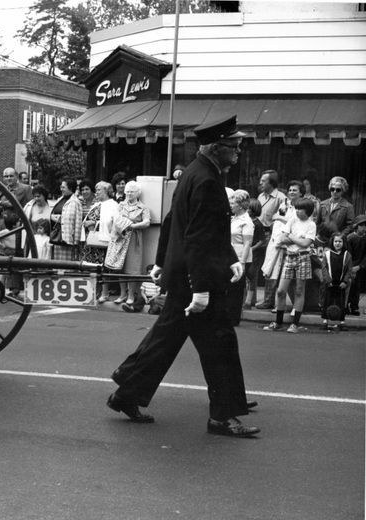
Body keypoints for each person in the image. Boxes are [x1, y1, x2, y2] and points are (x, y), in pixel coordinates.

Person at [107, 115, 259, 438]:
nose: (238, 152)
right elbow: (198, 237)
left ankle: (126, 393)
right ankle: (223, 415)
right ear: (217, 148)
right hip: (197, 281)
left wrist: (167, 262)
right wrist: (201, 290)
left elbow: (176, 221)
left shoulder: (196, 172)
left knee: (165, 340)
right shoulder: (206, 180)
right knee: (220, 347)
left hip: (185, 275)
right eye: (234, 146)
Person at [262, 198, 317, 333]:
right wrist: (296, 239)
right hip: (289, 256)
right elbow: (281, 239)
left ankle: (295, 324)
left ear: (308, 211)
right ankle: (278, 322)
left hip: (303, 257)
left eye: (300, 209)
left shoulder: (311, 225)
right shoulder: (292, 220)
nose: (297, 211)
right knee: (281, 290)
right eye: (296, 208)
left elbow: (305, 244)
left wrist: (291, 237)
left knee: (299, 290)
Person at [104, 180, 151, 311]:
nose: (129, 194)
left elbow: (147, 222)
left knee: (132, 267)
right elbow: (115, 218)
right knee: (120, 267)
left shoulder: (143, 207)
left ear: (137, 193)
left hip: (134, 239)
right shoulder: (120, 205)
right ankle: (122, 293)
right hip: (121, 238)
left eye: (132, 192)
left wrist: (132, 226)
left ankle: (131, 294)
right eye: (127, 192)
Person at [255, 170, 287, 309]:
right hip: (258, 234)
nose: (260, 183)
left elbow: (284, 217)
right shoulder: (260, 196)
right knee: (254, 267)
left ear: (271, 182)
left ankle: (269, 300)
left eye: (264, 181)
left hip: (271, 235)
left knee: (271, 267)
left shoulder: (281, 197)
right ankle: (251, 298)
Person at [81, 181, 115, 301]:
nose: (96, 192)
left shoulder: (112, 205)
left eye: (99, 189)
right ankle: (91, 291)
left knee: (103, 268)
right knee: (91, 267)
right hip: (91, 241)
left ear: (106, 191)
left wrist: (95, 223)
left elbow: (112, 222)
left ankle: (104, 293)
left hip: (102, 242)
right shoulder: (97, 204)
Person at [227, 189, 254, 325]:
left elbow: (248, 242)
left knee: (236, 289)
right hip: (230, 256)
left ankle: (233, 317)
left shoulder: (246, 221)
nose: (231, 205)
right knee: (229, 286)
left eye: (233, 203)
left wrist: (242, 262)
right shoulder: (234, 219)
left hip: (239, 257)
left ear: (241, 205)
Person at [320, 232, 352, 332]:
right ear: (332, 242)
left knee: (341, 302)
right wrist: (328, 280)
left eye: (340, 241)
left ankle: (342, 322)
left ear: (344, 243)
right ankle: (325, 321)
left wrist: (345, 281)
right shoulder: (327, 254)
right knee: (327, 301)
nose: (338, 243)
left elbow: (349, 270)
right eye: (336, 241)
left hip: (341, 283)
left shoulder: (347, 255)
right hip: (330, 283)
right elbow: (324, 268)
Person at [49, 178, 82, 260]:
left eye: (63, 187)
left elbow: (77, 224)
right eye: (61, 187)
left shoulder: (75, 202)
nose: (61, 189)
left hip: (68, 240)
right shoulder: (60, 199)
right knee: (56, 264)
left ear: (70, 188)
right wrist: (52, 217)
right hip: (57, 238)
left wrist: (76, 242)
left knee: (66, 265)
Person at [243, 197, 264, 308]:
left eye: (248, 208)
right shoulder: (245, 221)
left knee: (251, 277)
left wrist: (252, 248)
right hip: (244, 253)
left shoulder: (257, 224)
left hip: (254, 255)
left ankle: (249, 300)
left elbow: (262, 241)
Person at [345, 215, 366, 316]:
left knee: (357, 287)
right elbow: (348, 254)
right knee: (349, 286)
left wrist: (360, 266)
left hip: (360, 267)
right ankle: (345, 306)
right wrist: (351, 267)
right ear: (356, 226)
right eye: (361, 225)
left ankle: (354, 307)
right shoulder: (350, 238)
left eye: (365, 226)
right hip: (350, 266)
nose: (364, 228)